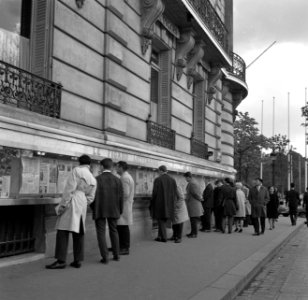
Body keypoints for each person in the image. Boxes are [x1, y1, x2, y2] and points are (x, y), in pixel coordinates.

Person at [46, 155, 97, 269]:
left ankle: (61, 260)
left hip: (72, 200)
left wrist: (63, 205)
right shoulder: (93, 178)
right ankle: (77, 260)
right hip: (82, 201)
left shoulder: (76, 171)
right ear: (89, 164)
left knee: (62, 231)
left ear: (79, 162)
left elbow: (69, 189)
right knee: (78, 232)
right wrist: (84, 202)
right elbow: (91, 197)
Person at [91, 158, 123, 264]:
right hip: (114, 209)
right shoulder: (118, 180)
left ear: (101, 167)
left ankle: (105, 257)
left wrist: (93, 208)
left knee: (101, 232)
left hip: (100, 209)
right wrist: (120, 210)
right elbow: (120, 198)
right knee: (114, 231)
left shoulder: (96, 179)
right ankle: (116, 255)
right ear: (112, 167)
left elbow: (92, 197)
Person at [151, 165, 177, 242]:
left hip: (160, 203)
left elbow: (155, 193)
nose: (158, 173)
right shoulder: (172, 180)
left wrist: (152, 201)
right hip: (170, 204)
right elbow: (175, 192)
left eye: (158, 171)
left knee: (160, 219)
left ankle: (164, 237)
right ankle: (159, 236)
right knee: (163, 220)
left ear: (161, 171)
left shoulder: (158, 179)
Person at [116, 161, 135, 255]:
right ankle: (121, 246)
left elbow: (125, 194)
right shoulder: (126, 176)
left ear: (121, 167)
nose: (116, 168)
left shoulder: (124, 177)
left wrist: (118, 203)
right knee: (122, 227)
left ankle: (124, 247)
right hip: (125, 205)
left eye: (117, 167)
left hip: (124, 205)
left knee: (123, 227)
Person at [183, 172, 203, 238]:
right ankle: (192, 232)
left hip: (193, 204)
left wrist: (200, 198)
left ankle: (194, 234)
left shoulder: (192, 183)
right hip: (193, 204)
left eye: (186, 178)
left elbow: (194, 193)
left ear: (188, 177)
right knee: (193, 219)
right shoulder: (193, 182)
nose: (185, 179)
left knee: (193, 220)